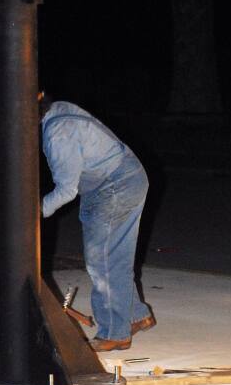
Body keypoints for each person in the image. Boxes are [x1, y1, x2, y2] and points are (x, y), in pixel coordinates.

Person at [40, 95, 155, 352]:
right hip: (125, 176)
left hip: (114, 186)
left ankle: (115, 332)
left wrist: (33, 213)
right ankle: (136, 315)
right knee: (114, 258)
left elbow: (66, 190)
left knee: (103, 261)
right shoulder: (58, 110)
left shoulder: (58, 133)